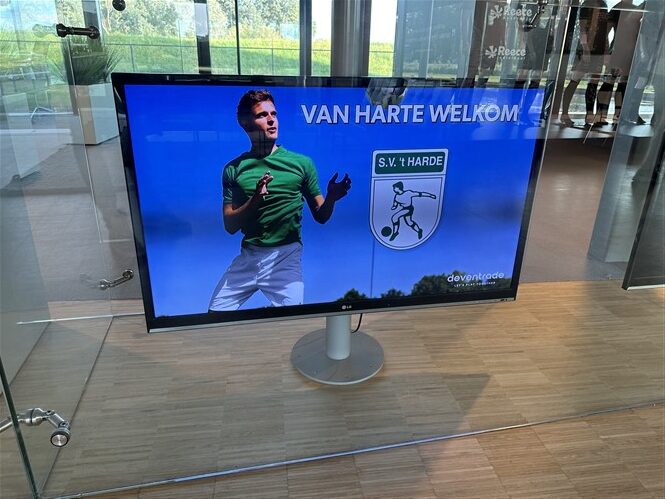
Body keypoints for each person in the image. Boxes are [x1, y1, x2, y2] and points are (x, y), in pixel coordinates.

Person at [208, 89, 351, 311]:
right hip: (249, 256)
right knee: (214, 315)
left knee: (292, 322)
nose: (271, 119)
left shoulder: (302, 164)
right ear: (245, 124)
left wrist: (332, 197)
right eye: (262, 115)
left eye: (273, 113)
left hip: (286, 258)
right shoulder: (233, 169)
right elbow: (230, 225)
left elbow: (321, 216)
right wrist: (256, 198)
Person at [559, 0, 614, 127]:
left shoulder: (603, 5)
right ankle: (564, 113)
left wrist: (606, 51)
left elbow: (605, 31)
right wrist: (585, 49)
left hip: (599, 50)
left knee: (594, 82)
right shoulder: (587, 4)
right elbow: (582, 29)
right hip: (586, 50)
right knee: (575, 80)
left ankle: (589, 114)